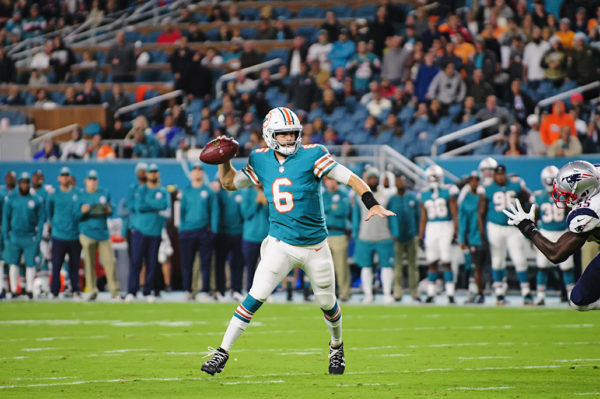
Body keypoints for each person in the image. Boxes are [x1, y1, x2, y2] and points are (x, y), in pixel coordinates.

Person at [201, 107, 395, 376]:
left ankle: (336, 347)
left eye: (293, 133)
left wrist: (371, 203)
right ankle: (221, 353)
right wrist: (224, 160)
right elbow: (229, 183)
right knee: (254, 297)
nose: (290, 139)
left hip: (316, 246)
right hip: (281, 244)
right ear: (270, 135)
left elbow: (350, 178)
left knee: (328, 303)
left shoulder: (313, 155)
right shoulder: (261, 160)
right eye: (283, 135)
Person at [503, 160, 600, 311]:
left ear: (586, 192)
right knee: (578, 300)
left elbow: (556, 254)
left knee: (579, 302)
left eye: (568, 193)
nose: (565, 197)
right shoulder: (595, 174)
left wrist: (527, 228)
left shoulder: (591, 210)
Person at [478, 165, 531, 305]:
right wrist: (482, 232)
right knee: (497, 260)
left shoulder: (515, 184)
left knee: (519, 259)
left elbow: (529, 199)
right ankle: (499, 293)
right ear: (494, 175)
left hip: (513, 228)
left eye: (502, 174)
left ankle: (526, 292)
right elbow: (481, 212)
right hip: (495, 227)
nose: (500, 177)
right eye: (498, 174)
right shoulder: (487, 188)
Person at [530, 166, 575, 306]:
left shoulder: (565, 195)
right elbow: (535, 217)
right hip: (546, 233)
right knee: (542, 266)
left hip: (562, 232)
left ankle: (570, 295)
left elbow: (571, 214)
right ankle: (541, 295)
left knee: (567, 266)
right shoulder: (538, 196)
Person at [126, 164, 170, 303]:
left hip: (155, 231)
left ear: (158, 174)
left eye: (155, 171)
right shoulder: (139, 189)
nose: (152, 174)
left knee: (152, 263)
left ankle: (147, 291)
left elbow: (163, 205)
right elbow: (138, 206)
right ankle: (131, 291)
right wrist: (154, 205)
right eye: (150, 172)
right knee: (136, 262)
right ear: (147, 174)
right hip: (140, 230)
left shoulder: (163, 191)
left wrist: (148, 204)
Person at [352, 167, 395, 304]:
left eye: (375, 178)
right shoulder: (359, 195)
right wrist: (355, 233)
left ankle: (387, 294)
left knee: (387, 266)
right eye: (370, 178)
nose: (372, 180)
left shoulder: (386, 195)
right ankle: (368, 294)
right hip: (365, 236)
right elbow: (355, 216)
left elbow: (392, 216)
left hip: (384, 236)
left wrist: (394, 233)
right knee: (366, 266)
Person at [178, 162, 219, 301]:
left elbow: (214, 211)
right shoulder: (186, 191)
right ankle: (188, 290)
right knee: (187, 263)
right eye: (194, 170)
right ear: (191, 174)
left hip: (203, 231)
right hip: (187, 232)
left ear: (203, 173)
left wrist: (213, 230)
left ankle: (204, 290)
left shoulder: (208, 191)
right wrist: (181, 229)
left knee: (205, 262)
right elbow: (181, 212)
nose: (197, 172)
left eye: (199, 170)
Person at [418, 165, 459, 304]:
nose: (433, 179)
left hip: (445, 225)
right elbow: (423, 217)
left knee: (446, 261)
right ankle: (431, 293)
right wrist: (420, 236)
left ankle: (450, 294)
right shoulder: (423, 193)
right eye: (431, 177)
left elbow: (454, 213)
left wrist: (455, 231)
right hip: (431, 228)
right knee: (432, 261)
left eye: (435, 177)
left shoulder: (448, 191)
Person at [77, 170, 120, 301]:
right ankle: (92, 290)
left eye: (95, 179)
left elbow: (112, 208)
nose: (93, 182)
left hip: (103, 234)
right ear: (85, 181)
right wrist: (83, 212)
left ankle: (115, 291)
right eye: (90, 179)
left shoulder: (104, 193)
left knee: (110, 262)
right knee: (89, 264)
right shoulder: (81, 195)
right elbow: (75, 215)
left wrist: (108, 209)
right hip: (87, 233)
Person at [2, 172, 44, 298]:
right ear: (19, 183)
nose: (25, 185)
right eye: (22, 182)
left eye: (26, 182)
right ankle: (14, 289)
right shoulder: (11, 200)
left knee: (30, 264)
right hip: (15, 236)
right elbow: (6, 219)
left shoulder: (35, 200)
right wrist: (6, 237)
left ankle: (30, 289)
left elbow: (41, 220)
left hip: (30, 236)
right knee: (13, 263)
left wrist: (38, 237)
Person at [47, 167, 81, 300]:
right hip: (59, 235)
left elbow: (79, 212)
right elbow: (49, 212)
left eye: (67, 175)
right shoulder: (54, 194)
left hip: (74, 235)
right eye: (63, 175)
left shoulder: (77, 193)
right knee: (56, 265)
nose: (65, 177)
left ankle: (75, 290)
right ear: (59, 178)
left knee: (74, 265)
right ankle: (55, 291)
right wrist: (54, 225)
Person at [387, 174, 421, 302]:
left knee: (413, 266)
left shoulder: (412, 198)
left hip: (411, 235)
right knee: (397, 266)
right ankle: (397, 292)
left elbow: (419, 216)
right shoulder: (392, 199)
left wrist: (418, 233)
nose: (400, 184)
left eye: (402, 181)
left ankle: (415, 292)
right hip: (397, 237)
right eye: (398, 182)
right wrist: (391, 233)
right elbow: (388, 218)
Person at [214, 179, 245, 302]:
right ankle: (220, 290)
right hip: (222, 233)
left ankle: (236, 289)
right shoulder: (217, 194)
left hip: (237, 232)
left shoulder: (240, 193)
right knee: (220, 263)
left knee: (237, 263)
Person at [322, 177, 352, 302]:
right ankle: (326, 295)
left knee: (341, 266)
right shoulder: (323, 194)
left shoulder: (344, 193)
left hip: (339, 233)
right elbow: (321, 210)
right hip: (325, 234)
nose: (330, 182)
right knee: (325, 267)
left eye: (332, 180)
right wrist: (332, 207)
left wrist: (329, 209)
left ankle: (344, 293)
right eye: (328, 180)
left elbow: (342, 211)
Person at [459, 173, 485, 304]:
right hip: (474, 238)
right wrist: (462, 239)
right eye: (472, 181)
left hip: (487, 237)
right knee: (474, 267)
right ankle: (475, 292)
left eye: (476, 181)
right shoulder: (466, 200)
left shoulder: (484, 197)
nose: (474, 183)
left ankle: (499, 293)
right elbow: (463, 221)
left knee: (495, 265)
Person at [241, 184, 269, 294]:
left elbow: (273, 214)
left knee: (267, 268)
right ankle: (249, 291)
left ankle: (266, 292)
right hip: (250, 237)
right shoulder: (247, 192)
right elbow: (245, 214)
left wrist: (266, 204)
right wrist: (256, 202)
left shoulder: (269, 190)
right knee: (250, 267)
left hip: (266, 237)